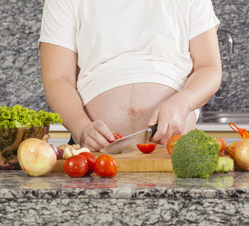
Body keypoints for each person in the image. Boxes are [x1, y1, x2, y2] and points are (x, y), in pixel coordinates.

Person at [39, 0, 222, 151]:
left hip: (175, 153)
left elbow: (209, 68)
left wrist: (181, 104)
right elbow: (58, 78)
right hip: (96, 155)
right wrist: (81, 128)